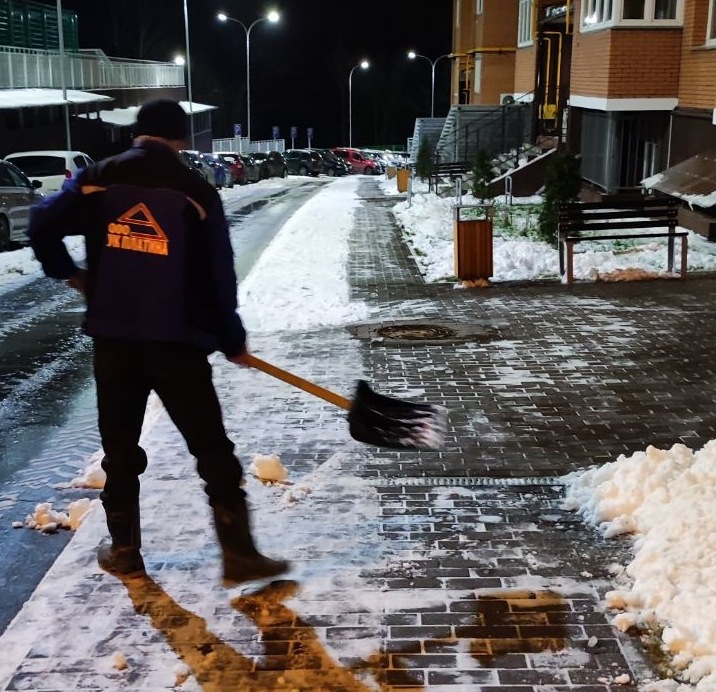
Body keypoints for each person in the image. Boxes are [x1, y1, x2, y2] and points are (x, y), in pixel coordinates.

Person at [28, 98, 289, 586]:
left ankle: (125, 550)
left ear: (138, 133)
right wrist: (231, 337)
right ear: (181, 138)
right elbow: (218, 276)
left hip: (114, 341)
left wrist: (70, 273)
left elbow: (41, 222)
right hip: (177, 343)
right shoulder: (196, 191)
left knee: (120, 450)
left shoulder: (98, 178)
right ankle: (239, 554)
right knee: (211, 448)